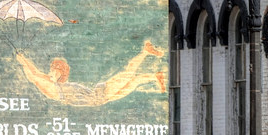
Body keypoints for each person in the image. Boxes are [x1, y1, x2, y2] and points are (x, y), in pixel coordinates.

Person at [16, 40, 165, 106]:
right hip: (99, 99)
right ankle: (154, 76)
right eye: (51, 71)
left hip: (99, 94)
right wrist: (23, 61)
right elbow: (34, 76)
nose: (49, 73)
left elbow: (35, 75)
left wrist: (23, 60)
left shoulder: (55, 86)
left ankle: (145, 52)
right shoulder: (53, 89)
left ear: (59, 72)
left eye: (53, 71)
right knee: (132, 82)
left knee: (128, 75)